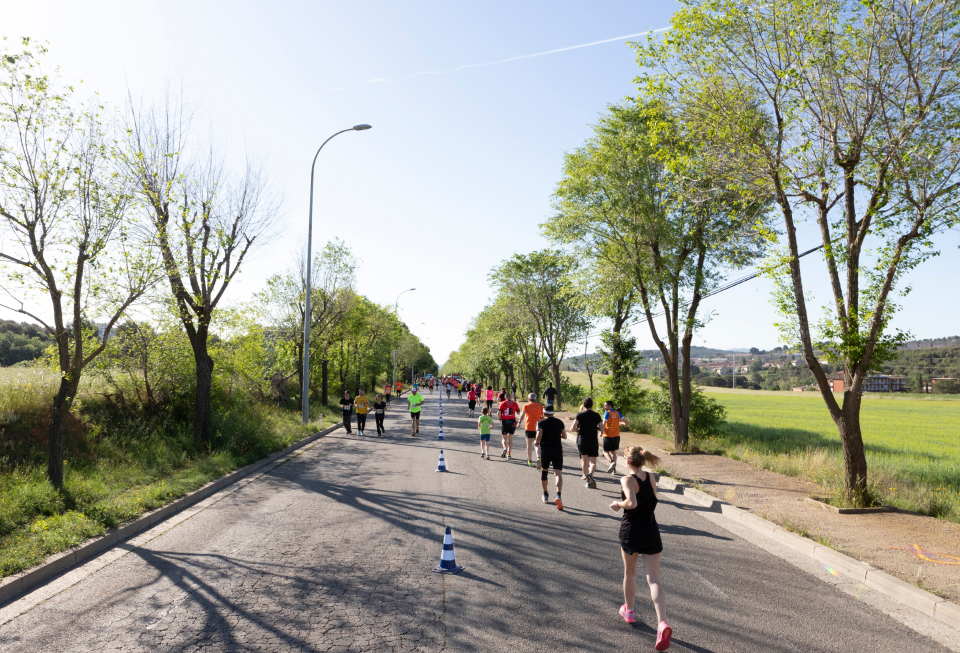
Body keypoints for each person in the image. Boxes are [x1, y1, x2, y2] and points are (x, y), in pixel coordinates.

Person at [610, 445, 671, 650]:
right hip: (651, 531)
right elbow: (653, 500)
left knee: (630, 573)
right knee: (654, 579)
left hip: (631, 532)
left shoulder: (627, 480)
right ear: (642, 460)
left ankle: (629, 610)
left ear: (627, 461)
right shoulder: (651, 478)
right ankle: (662, 622)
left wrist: (618, 504)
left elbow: (632, 502)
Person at [535, 404, 567, 510]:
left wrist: (536, 442)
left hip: (545, 450)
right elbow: (565, 436)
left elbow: (539, 435)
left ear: (543, 413)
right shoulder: (559, 422)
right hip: (557, 449)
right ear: (553, 413)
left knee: (544, 471)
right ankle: (558, 495)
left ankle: (545, 494)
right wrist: (558, 435)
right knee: (558, 474)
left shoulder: (540, 422)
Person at [571, 397, 603, 488]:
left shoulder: (580, 415)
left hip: (582, 440)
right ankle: (591, 474)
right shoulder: (596, 415)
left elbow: (573, 428)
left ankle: (587, 481)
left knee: (585, 462)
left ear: (583, 405)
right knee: (593, 462)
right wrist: (594, 428)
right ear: (592, 405)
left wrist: (579, 430)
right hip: (593, 441)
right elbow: (602, 428)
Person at [516, 393, 544, 468]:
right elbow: (543, 416)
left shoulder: (526, 406)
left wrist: (519, 422)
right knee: (537, 444)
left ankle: (530, 460)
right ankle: (538, 457)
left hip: (529, 427)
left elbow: (522, 414)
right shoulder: (540, 406)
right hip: (538, 427)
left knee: (529, 445)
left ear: (528, 399)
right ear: (535, 399)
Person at [602, 401, 628, 475]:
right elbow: (626, 422)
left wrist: (601, 432)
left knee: (605, 452)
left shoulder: (607, 413)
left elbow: (603, 425)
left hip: (608, 436)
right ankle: (614, 470)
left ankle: (611, 462)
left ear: (610, 406)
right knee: (614, 452)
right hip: (616, 436)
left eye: (605, 405)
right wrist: (622, 423)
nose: (604, 407)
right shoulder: (618, 413)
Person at [498, 392, 520, 459]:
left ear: (505, 398)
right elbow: (518, 412)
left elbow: (498, 412)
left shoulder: (502, 403)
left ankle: (504, 448)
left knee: (504, 438)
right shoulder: (515, 403)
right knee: (510, 439)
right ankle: (509, 453)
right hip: (512, 422)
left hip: (505, 421)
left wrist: (500, 418)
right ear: (511, 397)